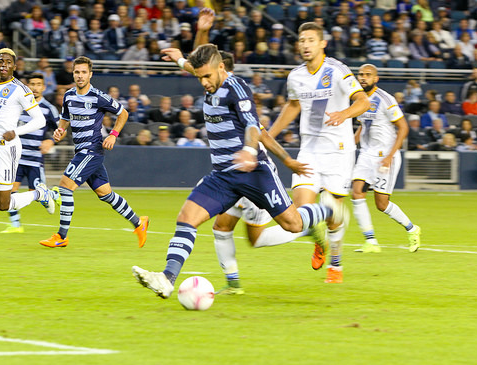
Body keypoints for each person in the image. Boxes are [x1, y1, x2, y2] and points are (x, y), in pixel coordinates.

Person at [133, 43, 347, 297]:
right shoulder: (209, 76)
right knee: (186, 217)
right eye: (200, 77)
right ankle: (167, 278)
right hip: (223, 175)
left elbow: (253, 127)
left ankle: (328, 210)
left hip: (254, 173)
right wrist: (180, 59)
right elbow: (197, 67)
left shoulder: (237, 89)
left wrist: (249, 150)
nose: (203, 83)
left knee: (292, 223)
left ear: (221, 68)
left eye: (207, 77)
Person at [267, 22, 371, 284]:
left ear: (322, 43)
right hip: (309, 151)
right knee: (302, 211)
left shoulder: (337, 70)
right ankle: (318, 239)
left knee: (334, 215)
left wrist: (343, 114)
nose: (305, 44)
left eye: (311, 40)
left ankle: (335, 264)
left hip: (338, 152)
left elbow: (363, 101)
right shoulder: (296, 76)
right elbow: (293, 106)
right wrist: (269, 135)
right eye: (302, 40)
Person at [39, 56, 148, 248]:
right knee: (106, 194)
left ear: (90, 74)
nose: (80, 76)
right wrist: (59, 132)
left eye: (83, 72)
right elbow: (64, 123)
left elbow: (123, 113)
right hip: (81, 150)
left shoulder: (99, 97)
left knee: (65, 187)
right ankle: (139, 223)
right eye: (77, 72)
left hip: (92, 150)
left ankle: (61, 236)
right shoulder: (69, 96)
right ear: (73, 73)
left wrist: (113, 134)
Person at [0, 49, 57, 220]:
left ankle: (40, 194)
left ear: (14, 66)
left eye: (9, 62)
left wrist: (15, 132)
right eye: (1, 61)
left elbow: (40, 120)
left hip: (6, 150)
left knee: (2, 204)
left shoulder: (21, 90)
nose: (4, 65)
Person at [351, 64, 420, 254]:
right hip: (366, 154)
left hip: (385, 156)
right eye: (361, 74)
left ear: (376, 78)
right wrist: (351, 144)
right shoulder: (358, 99)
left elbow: (403, 127)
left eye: (367, 75)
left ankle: (412, 229)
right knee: (356, 192)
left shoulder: (385, 99)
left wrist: (390, 156)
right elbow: (363, 126)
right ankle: (371, 241)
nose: (363, 77)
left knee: (381, 204)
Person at [2, 73, 61, 234]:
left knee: (35, 194)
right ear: (27, 86)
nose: (35, 87)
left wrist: (51, 141)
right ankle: (15, 225)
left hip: (35, 159)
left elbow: (60, 130)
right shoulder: (18, 105)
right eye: (32, 84)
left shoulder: (49, 109)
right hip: (16, 157)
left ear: (44, 87)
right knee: (8, 192)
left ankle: (54, 194)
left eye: (38, 84)